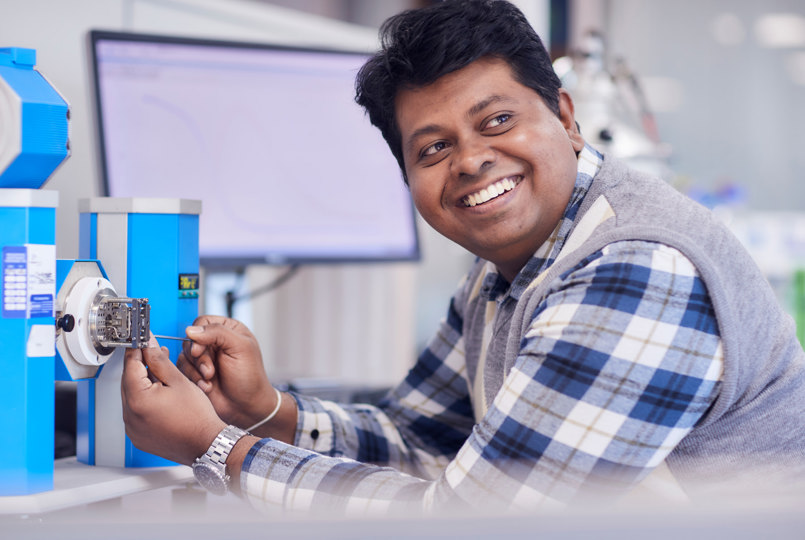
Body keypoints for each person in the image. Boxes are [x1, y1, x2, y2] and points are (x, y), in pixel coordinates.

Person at [121, 0, 805, 515]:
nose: (472, 160)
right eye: (432, 148)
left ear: (565, 117)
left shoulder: (636, 266)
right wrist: (268, 411)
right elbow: (423, 439)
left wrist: (215, 449)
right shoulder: (508, 266)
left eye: (497, 121)